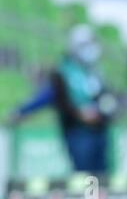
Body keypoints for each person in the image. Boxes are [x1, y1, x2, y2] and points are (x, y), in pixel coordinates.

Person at [10, 24, 117, 175]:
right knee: (86, 177)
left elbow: (107, 97)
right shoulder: (63, 72)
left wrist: (102, 111)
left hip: (99, 130)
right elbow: (46, 96)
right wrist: (21, 111)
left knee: (103, 176)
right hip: (78, 132)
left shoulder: (95, 71)